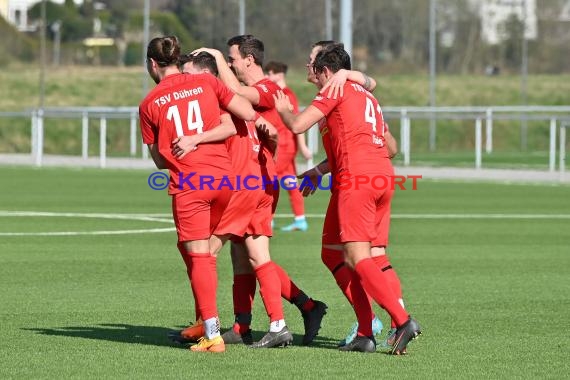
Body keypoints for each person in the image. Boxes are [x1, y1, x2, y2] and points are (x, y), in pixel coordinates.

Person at [274, 43, 421, 354]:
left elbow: (298, 125)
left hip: (357, 179)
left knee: (357, 257)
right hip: (378, 176)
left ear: (327, 70)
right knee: (336, 254)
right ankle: (366, 333)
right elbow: (389, 147)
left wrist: (281, 106)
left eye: (312, 61)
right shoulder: (364, 95)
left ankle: (402, 320)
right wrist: (319, 169)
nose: (307, 66)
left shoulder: (335, 89)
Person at [176, 49, 327, 348]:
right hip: (252, 180)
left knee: (206, 253)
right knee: (246, 256)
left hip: (249, 184)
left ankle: (212, 325)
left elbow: (243, 113)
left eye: (232, 58)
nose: (230, 64)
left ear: (248, 58)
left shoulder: (263, 89)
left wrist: (216, 58)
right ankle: (251, 323)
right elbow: (267, 132)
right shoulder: (236, 99)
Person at [139, 36, 274, 353]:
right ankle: (206, 323)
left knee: (198, 255)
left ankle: (211, 333)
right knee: (200, 253)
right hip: (225, 181)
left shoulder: (149, 103)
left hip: (191, 184)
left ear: (152, 64)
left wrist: (187, 142)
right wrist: (202, 135)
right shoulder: (205, 83)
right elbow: (244, 113)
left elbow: (159, 160)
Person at [264, 61, 312, 232]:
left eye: (270, 73)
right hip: (283, 144)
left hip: (283, 145)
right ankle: (300, 220)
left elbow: (297, 121)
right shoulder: (277, 93)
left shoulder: (286, 95)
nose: (267, 76)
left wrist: (304, 146)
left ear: (279, 75)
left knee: (268, 180)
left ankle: (267, 219)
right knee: (290, 182)